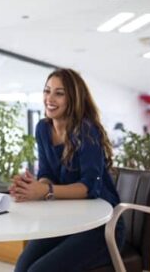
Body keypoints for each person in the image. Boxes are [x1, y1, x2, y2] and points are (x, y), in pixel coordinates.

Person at [9, 68, 124, 272]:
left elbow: (90, 188)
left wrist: (46, 191)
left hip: (102, 225)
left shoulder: (87, 130)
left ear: (74, 98)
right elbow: (47, 174)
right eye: (47, 91)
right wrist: (34, 187)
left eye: (59, 93)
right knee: (22, 267)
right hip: (68, 219)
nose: (49, 98)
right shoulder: (43, 128)